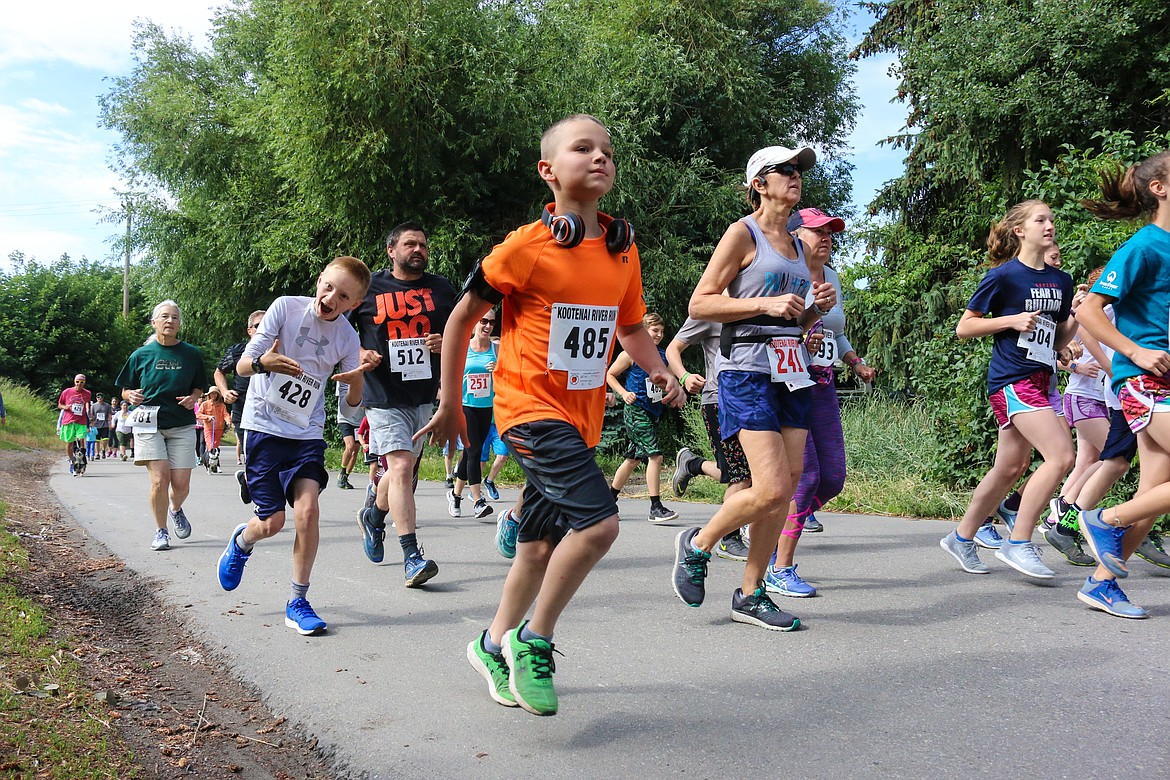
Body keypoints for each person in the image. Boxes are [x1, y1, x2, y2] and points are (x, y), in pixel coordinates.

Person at [420, 114, 682, 715]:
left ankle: (489, 644)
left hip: (580, 419)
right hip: (528, 410)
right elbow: (460, 320)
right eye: (582, 148)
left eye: (607, 151)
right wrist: (451, 402)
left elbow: (631, 327)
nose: (600, 158)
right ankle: (533, 640)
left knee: (537, 549)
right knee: (600, 525)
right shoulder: (528, 247)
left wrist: (661, 368)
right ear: (549, 171)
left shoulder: (622, 249)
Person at [671, 145, 837, 632]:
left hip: (793, 369)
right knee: (772, 486)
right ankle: (697, 543)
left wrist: (815, 309)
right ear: (759, 184)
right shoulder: (741, 234)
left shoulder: (802, 247)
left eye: (798, 171)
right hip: (744, 370)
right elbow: (700, 304)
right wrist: (763, 307)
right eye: (784, 171)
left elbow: (798, 316)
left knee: (783, 493)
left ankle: (750, 593)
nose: (795, 177)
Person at [216, 256, 374, 635]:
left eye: (344, 296)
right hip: (263, 427)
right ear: (320, 281)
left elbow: (351, 405)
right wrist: (264, 362)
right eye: (329, 287)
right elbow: (242, 366)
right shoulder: (285, 308)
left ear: (353, 305)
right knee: (272, 522)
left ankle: (298, 600)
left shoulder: (348, 339)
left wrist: (355, 381)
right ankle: (243, 540)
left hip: (306, 433)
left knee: (308, 512)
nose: (331, 297)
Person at [940, 200, 1076, 579]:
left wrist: (1075, 321)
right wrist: (1011, 320)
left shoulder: (1060, 280)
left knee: (1010, 466)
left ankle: (961, 536)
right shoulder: (1003, 277)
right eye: (1040, 220)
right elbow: (965, 327)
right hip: (1012, 379)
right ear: (1020, 230)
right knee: (1062, 456)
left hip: (1043, 378)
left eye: (1051, 219)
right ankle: (1019, 541)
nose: (1049, 225)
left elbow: (1058, 337)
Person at [1073, 150, 1170, 618]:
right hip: (1145, 380)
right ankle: (1103, 518)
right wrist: (1134, 352)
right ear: (1160, 188)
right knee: (1142, 499)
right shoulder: (1144, 246)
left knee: (1154, 492)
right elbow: (1090, 310)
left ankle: (1102, 583)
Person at [761, 207, 877, 597]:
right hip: (789, 382)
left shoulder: (832, 278)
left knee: (832, 478)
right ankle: (780, 565)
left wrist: (854, 360)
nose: (826, 238)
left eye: (831, 232)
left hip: (824, 383)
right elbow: (766, 325)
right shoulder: (783, 272)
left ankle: (769, 529)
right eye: (817, 232)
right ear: (795, 235)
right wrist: (798, 335)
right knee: (806, 477)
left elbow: (835, 331)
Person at [352, 222, 457, 586]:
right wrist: (359, 351)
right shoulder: (368, 288)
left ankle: (374, 517)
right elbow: (335, 329)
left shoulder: (442, 289)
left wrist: (446, 343)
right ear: (391, 250)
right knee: (398, 468)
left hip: (423, 395)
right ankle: (412, 556)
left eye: (424, 245)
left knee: (405, 473)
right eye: (410, 244)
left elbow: (462, 330)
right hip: (382, 394)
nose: (419, 250)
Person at [115, 301, 208, 551]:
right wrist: (129, 396)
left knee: (181, 485)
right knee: (159, 479)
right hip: (148, 423)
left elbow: (199, 386)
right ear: (154, 322)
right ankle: (161, 531)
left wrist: (194, 397)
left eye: (175, 317)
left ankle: (175, 509)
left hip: (181, 424)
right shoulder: (140, 355)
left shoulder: (191, 354)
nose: (170, 321)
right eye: (164, 317)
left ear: (180, 324)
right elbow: (124, 388)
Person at [665, 318, 752, 561]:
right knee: (740, 475)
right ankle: (729, 537)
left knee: (744, 472)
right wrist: (683, 377)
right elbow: (673, 349)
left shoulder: (755, 300)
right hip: (719, 400)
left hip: (753, 396)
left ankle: (693, 464)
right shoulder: (708, 310)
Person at [607, 312, 679, 523]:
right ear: (644, 331)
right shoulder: (630, 354)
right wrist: (623, 393)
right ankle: (655, 507)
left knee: (632, 460)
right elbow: (610, 374)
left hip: (652, 412)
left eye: (662, 331)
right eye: (655, 330)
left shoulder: (661, 356)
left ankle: (608, 502)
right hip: (636, 409)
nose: (659, 335)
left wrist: (674, 387)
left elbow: (670, 378)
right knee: (655, 456)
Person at [448, 308, 500, 519]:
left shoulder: (497, 349)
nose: (487, 326)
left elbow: (509, 377)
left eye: (491, 323)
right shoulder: (463, 346)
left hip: (486, 407)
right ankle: (478, 500)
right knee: (475, 449)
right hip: (465, 405)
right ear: (475, 323)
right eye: (483, 321)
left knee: (470, 453)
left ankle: (455, 494)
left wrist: (498, 369)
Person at [215, 311, 266, 467]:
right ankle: (251, 483)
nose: (263, 328)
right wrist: (224, 392)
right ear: (249, 330)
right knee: (251, 453)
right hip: (244, 409)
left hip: (272, 411)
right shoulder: (238, 351)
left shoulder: (282, 349)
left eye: (267, 325)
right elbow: (219, 372)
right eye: (258, 326)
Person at [58, 373, 92, 475]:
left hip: (81, 420)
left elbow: (87, 403)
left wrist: (88, 410)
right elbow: (59, 404)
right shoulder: (67, 391)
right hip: (69, 420)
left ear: (84, 383)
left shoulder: (87, 393)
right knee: (70, 444)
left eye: (82, 382)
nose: (79, 384)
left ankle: (81, 458)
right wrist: (66, 407)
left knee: (81, 438)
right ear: (74, 382)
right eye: (77, 382)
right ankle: (72, 461)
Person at [335, 381, 365, 490]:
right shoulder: (345, 379)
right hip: (345, 419)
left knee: (355, 451)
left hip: (359, 421)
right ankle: (342, 472)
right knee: (350, 446)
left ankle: (345, 477)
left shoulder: (368, 381)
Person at [197, 386, 231, 459]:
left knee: (215, 445)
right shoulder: (205, 404)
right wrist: (208, 417)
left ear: (218, 395)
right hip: (208, 428)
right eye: (212, 394)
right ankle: (209, 459)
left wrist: (228, 421)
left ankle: (214, 461)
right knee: (210, 444)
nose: (213, 395)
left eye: (215, 394)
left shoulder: (222, 405)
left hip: (219, 428)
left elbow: (225, 415)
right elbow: (198, 414)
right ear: (209, 395)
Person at [90, 393, 114, 460]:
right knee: (96, 440)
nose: (99, 398)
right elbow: (91, 415)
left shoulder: (107, 406)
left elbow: (109, 415)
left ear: (103, 398)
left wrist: (110, 423)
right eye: (98, 397)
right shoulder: (93, 406)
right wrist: (91, 423)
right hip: (96, 425)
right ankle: (97, 453)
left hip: (105, 424)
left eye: (101, 397)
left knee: (105, 439)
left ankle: (103, 450)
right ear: (96, 398)